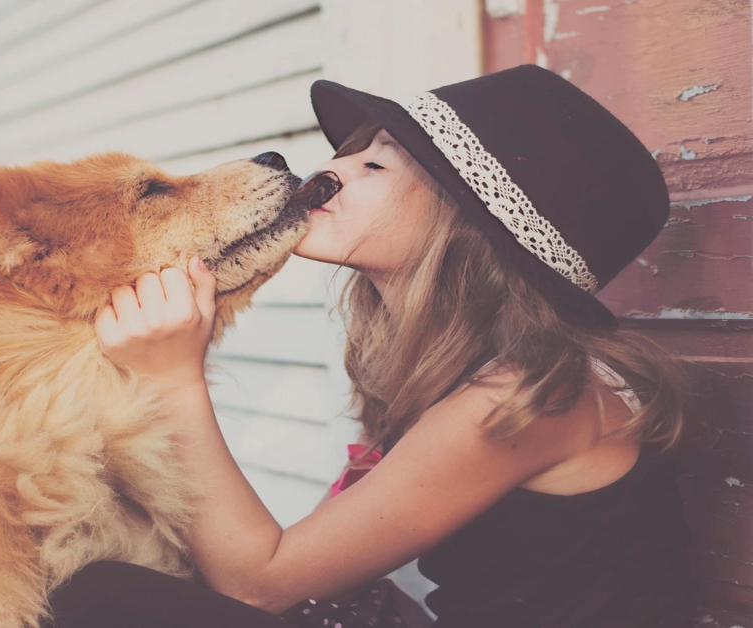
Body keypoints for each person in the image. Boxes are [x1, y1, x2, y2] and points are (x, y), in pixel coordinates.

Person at [41, 64, 698, 628]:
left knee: (96, 596)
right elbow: (328, 575)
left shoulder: (528, 396)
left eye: (374, 162)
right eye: (349, 151)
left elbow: (260, 584)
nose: (332, 168)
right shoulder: (453, 373)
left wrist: (173, 382)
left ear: (465, 225)